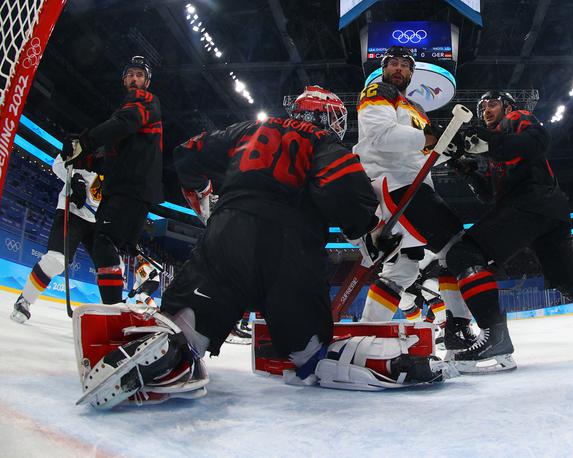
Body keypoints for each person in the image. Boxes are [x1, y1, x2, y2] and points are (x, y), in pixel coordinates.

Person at [73, 86, 457, 409]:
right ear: (323, 119)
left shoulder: (246, 129)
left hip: (226, 234)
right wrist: (369, 232)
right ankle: (319, 357)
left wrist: (203, 188)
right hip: (292, 249)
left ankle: (173, 353)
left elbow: (187, 152)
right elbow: (344, 191)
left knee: (191, 319)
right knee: (308, 353)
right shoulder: (322, 142)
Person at [443, 90, 573, 373]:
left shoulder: (517, 118)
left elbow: (537, 142)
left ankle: (495, 337)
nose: (486, 111)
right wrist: (468, 171)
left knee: (463, 253)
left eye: (492, 104)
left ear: (507, 106)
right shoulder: (499, 145)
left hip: (532, 204)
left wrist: (487, 142)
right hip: (549, 211)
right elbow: (490, 196)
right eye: (482, 108)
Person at [353, 46, 474, 345]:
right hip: (396, 188)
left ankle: (369, 334)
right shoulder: (377, 91)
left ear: (411, 73)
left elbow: (419, 156)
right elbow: (381, 137)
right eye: (392, 63)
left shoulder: (416, 110)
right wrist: (430, 138)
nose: (398, 69)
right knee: (457, 248)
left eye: (404, 66)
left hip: (410, 184)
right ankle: (458, 331)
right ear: (383, 69)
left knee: (404, 271)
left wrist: (449, 151)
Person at [60, 56, 163, 305]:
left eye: (140, 75)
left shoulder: (144, 100)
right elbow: (116, 148)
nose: (134, 79)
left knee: (104, 242)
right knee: (105, 244)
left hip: (131, 187)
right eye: (130, 75)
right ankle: (115, 308)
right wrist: (86, 153)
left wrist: (85, 142)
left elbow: (123, 124)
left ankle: (113, 310)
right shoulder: (128, 109)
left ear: (147, 82)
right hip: (127, 187)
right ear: (124, 79)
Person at [10, 154, 103, 323]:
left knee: (114, 267)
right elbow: (57, 164)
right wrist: (74, 178)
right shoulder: (83, 140)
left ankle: (110, 316)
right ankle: (25, 300)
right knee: (56, 260)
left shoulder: (121, 153)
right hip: (72, 211)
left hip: (97, 220)